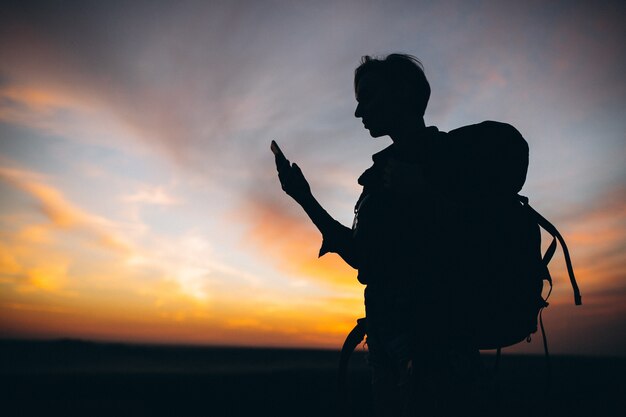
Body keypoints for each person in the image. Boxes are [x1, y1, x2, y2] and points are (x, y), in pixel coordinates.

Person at [274, 54, 488, 416]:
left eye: (368, 97)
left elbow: (473, 237)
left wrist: (424, 188)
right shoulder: (380, 175)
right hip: (386, 342)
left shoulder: (449, 157)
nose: (359, 112)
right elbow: (365, 256)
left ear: (403, 94)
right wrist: (302, 196)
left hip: (433, 346)